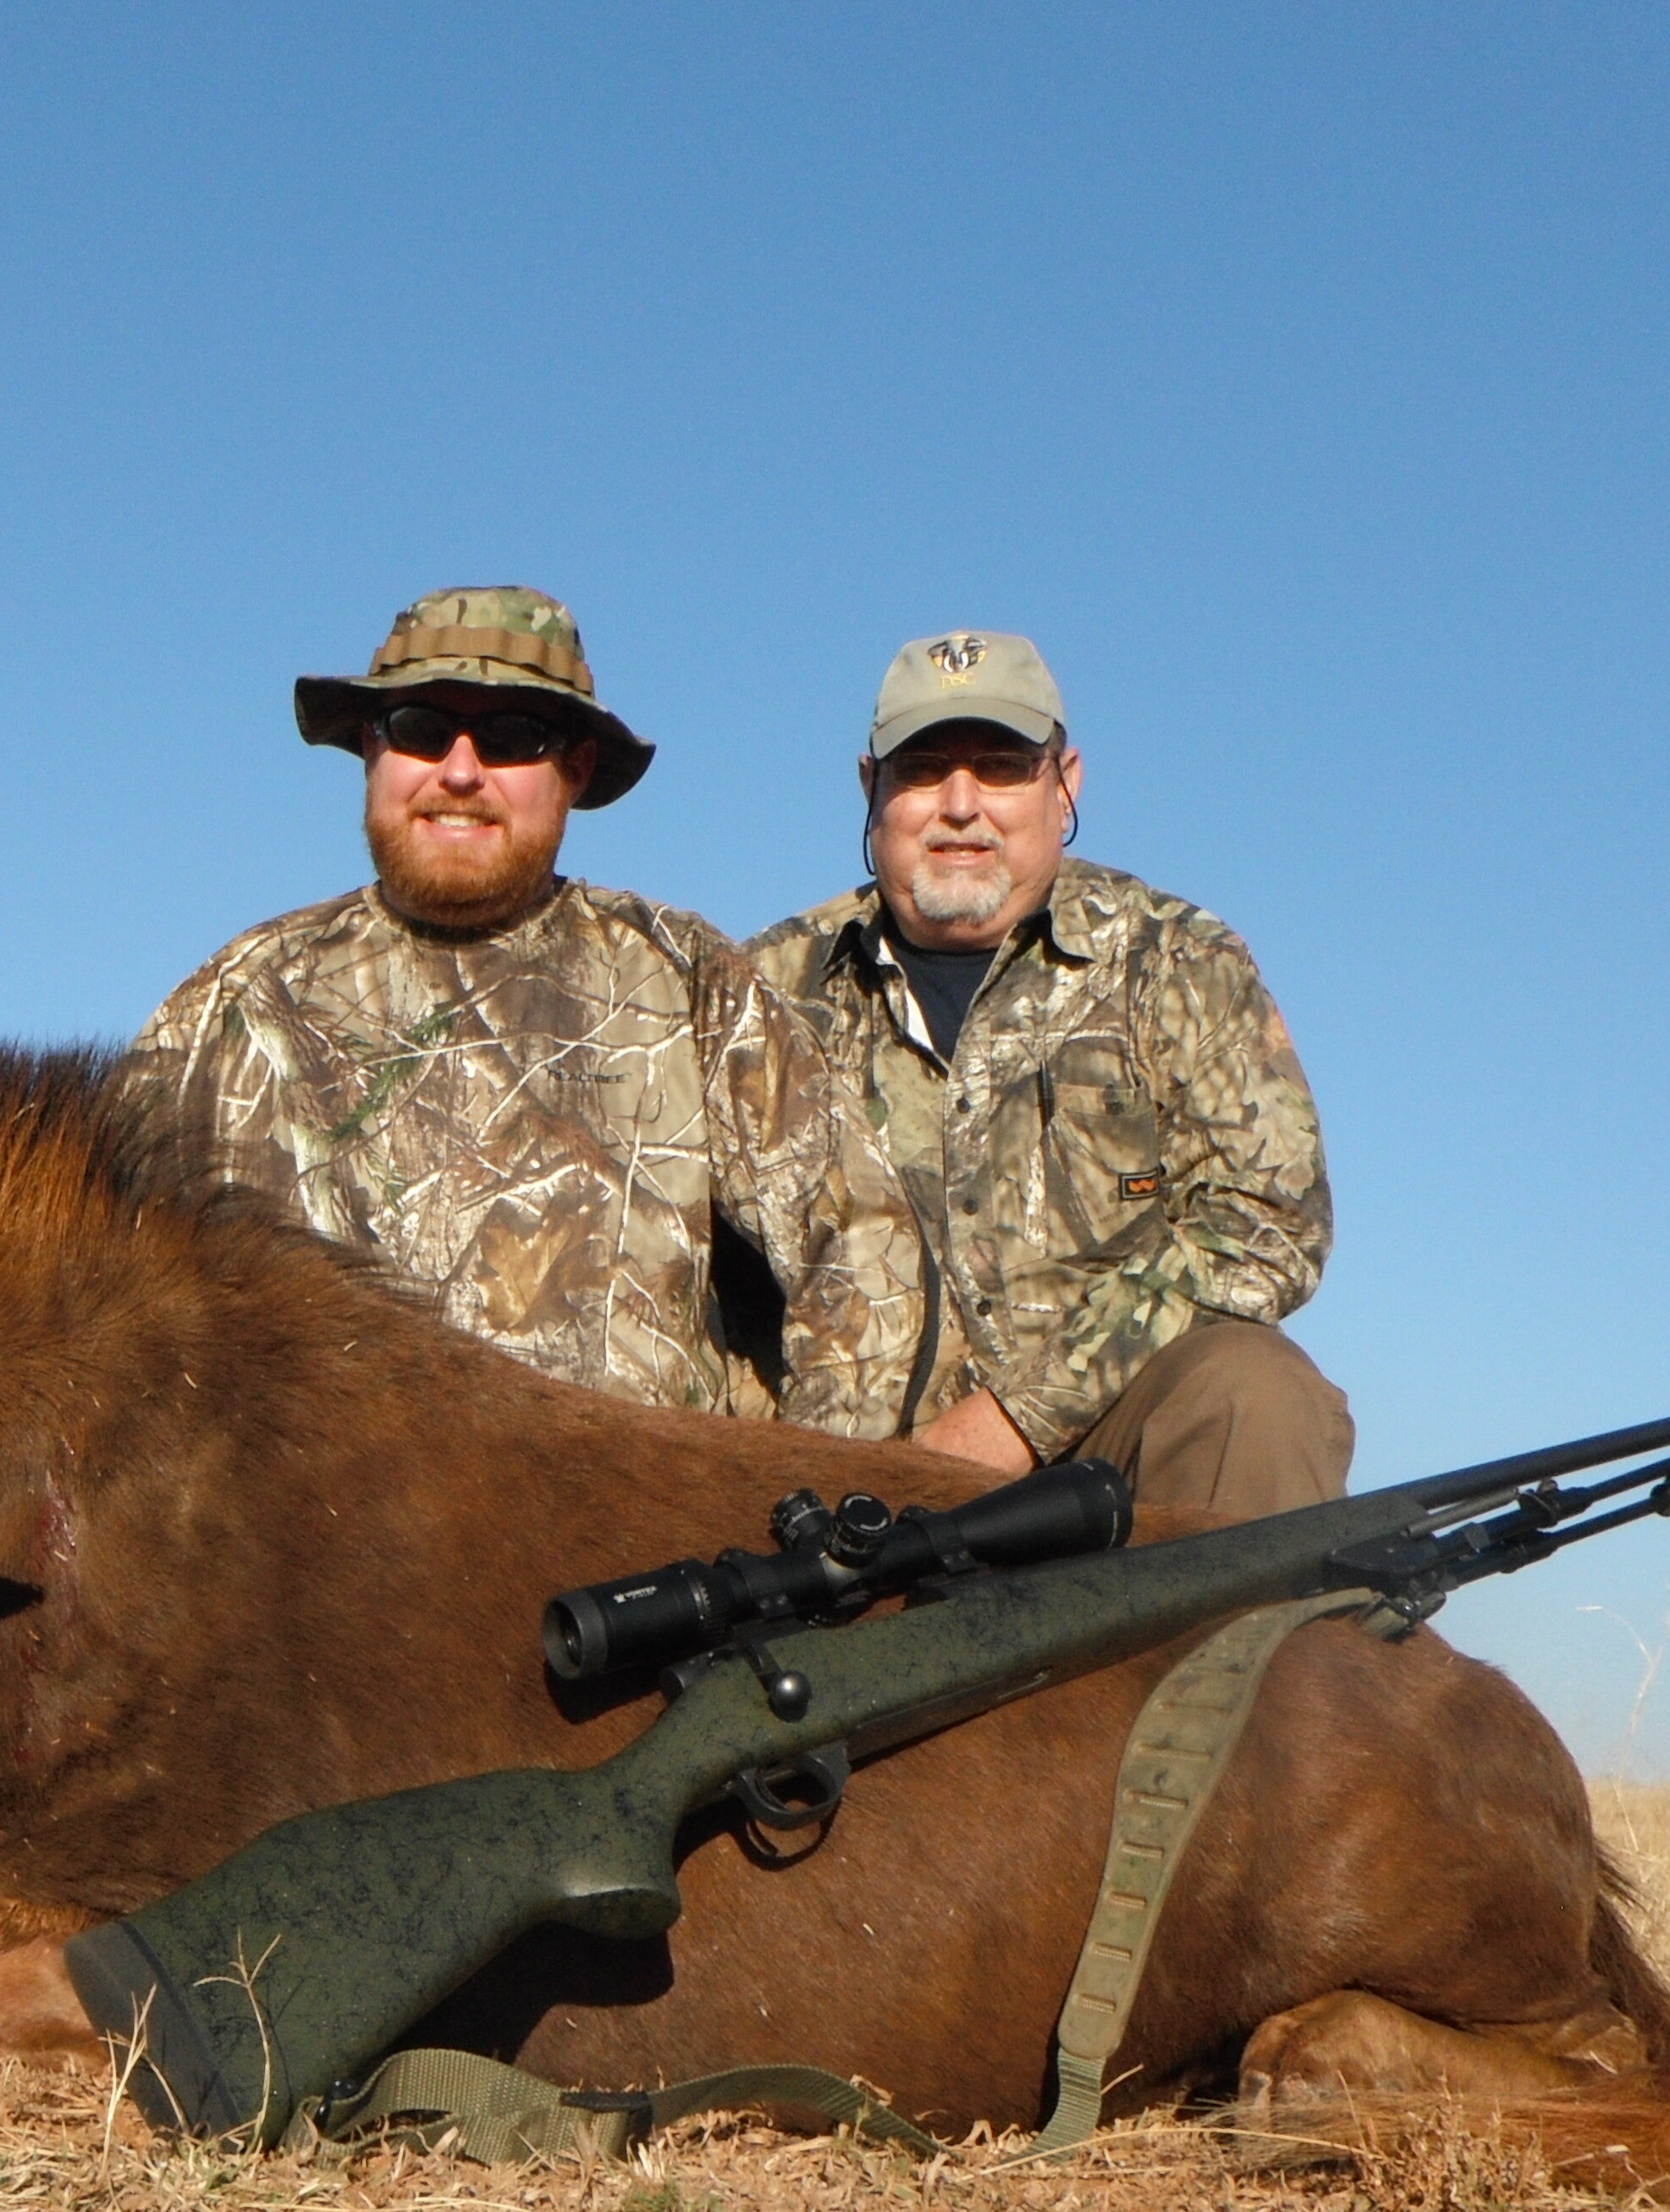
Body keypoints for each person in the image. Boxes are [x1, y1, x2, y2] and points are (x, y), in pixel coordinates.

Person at [133, 585, 933, 1439]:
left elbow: (860, 1242)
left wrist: (803, 1512)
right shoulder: (237, 1003)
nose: (462, 771)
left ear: (576, 769)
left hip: (639, 1548)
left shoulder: (685, 977)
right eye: (420, 730)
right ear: (372, 748)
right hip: (322, 1556)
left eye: (513, 738)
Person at [746, 630, 1351, 1517]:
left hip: (1097, 1454)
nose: (960, 805)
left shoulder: (1179, 961)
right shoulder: (759, 993)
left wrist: (1016, 1423)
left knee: (1254, 1392)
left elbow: (1271, 1223)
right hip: (837, 1488)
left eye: (999, 765)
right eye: (922, 769)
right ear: (871, 787)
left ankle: (1235, 1654)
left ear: (1064, 782)